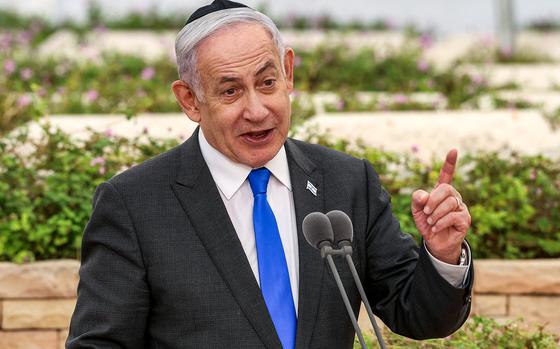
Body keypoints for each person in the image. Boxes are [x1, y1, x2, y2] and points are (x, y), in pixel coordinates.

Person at [66, 1, 473, 348]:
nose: (257, 110)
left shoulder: (346, 181)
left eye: (267, 82)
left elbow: (419, 315)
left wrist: (441, 253)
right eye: (230, 91)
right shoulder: (135, 204)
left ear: (288, 72)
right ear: (190, 100)